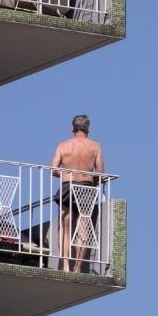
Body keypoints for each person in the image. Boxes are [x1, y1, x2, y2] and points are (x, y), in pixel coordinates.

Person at [51, 115, 105, 272]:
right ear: (89, 129)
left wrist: (68, 174)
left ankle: (66, 264)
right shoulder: (95, 147)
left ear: (72, 128)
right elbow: (100, 173)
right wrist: (91, 179)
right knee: (83, 227)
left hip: (68, 186)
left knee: (65, 226)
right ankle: (78, 266)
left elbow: (54, 169)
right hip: (86, 187)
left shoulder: (63, 146)